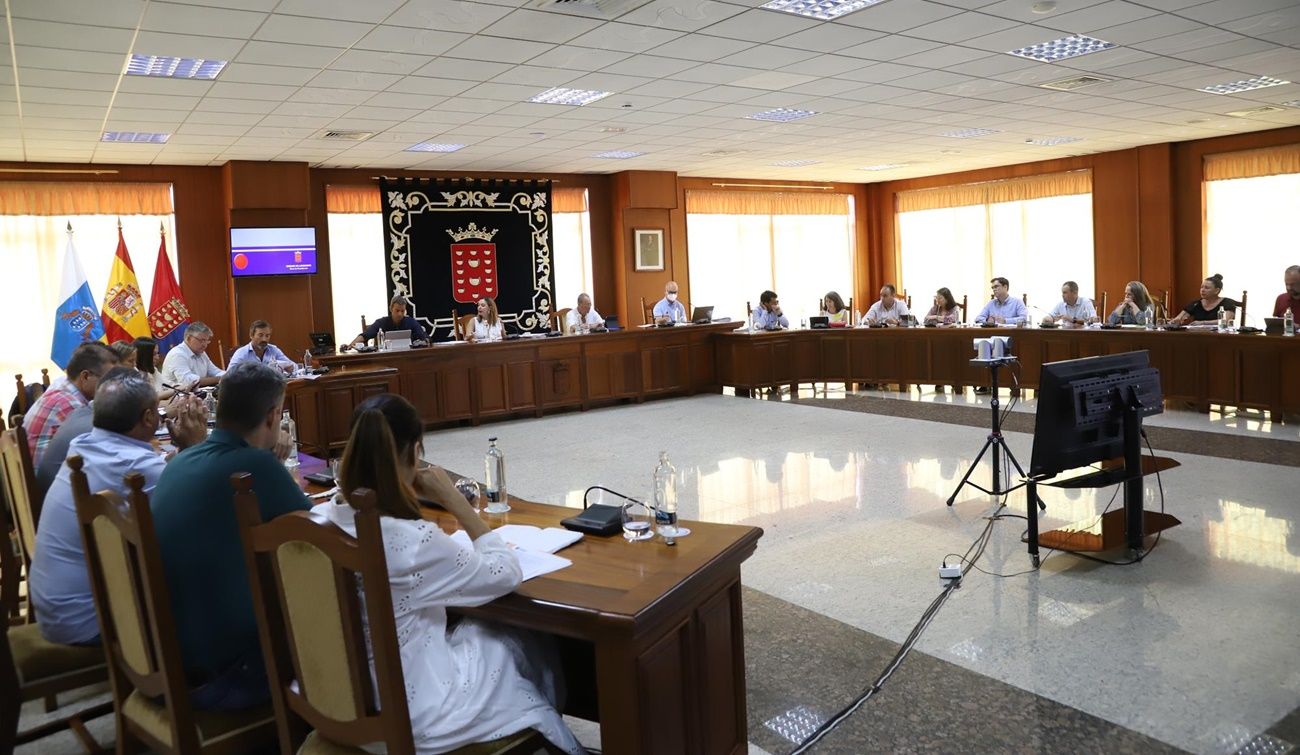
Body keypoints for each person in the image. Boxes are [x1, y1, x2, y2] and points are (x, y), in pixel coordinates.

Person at [321, 394, 583, 754]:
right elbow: (505, 573)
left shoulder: (321, 518)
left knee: (471, 631)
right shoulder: (412, 542)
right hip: (408, 716)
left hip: (337, 699)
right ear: (415, 453)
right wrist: (456, 501)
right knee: (513, 638)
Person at [150, 361, 311, 710]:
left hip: (168, 655)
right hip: (227, 676)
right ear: (273, 416)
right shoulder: (257, 467)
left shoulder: (179, 460)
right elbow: (315, 540)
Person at [28, 368, 206, 646]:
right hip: (90, 623)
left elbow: (157, 474)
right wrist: (197, 447)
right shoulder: (136, 468)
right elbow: (203, 501)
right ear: (149, 417)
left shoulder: (83, 444)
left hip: (57, 611)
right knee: (213, 591)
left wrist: (184, 453)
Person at [24, 342, 116, 466]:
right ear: (86, 376)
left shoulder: (62, 390)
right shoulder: (72, 407)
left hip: (36, 477)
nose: (113, 386)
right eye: (108, 380)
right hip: (46, 482)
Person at [161, 321, 224, 390]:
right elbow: (189, 381)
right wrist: (219, 379)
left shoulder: (201, 352)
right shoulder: (177, 354)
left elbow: (215, 371)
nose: (205, 345)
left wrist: (229, 376)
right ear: (189, 338)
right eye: (201, 340)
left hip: (195, 394)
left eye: (206, 341)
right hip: (173, 397)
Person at [353, 295, 429, 346]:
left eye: (402, 311)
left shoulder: (411, 322)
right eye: (397, 310)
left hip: (407, 358)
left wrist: (425, 341)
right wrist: (351, 345)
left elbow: (424, 336)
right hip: (385, 359)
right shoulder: (382, 322)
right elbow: (365, 335)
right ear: (391, 309)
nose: (400, 314)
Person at [228, 319, 297, 372]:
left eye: (267, 336)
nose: (264, 339)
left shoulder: (273, 350)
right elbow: (229, 374)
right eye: (260, 335)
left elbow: (294, 366)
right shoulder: (242, 353)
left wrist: (289, 367)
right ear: (251, 335)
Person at [1170, 274, 1239, 325]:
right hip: (1198, 337)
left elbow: (1226, 321)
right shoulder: (1195, 304)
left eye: (1206, 288)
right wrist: (1176, 321)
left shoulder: (1227, 302)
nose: (1202, 290)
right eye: (1201, 287)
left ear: (1217, 290)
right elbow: (1179, 317)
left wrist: (1203, 323)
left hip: (1220, 338)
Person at [133, 336, 175, 401]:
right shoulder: (133, 375)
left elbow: (167, 385)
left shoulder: (153, 370)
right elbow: (148, 399)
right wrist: (174, 391)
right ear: (143, 355)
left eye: (157, 353)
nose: (157, 358)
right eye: (153, 354)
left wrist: (178, 388)